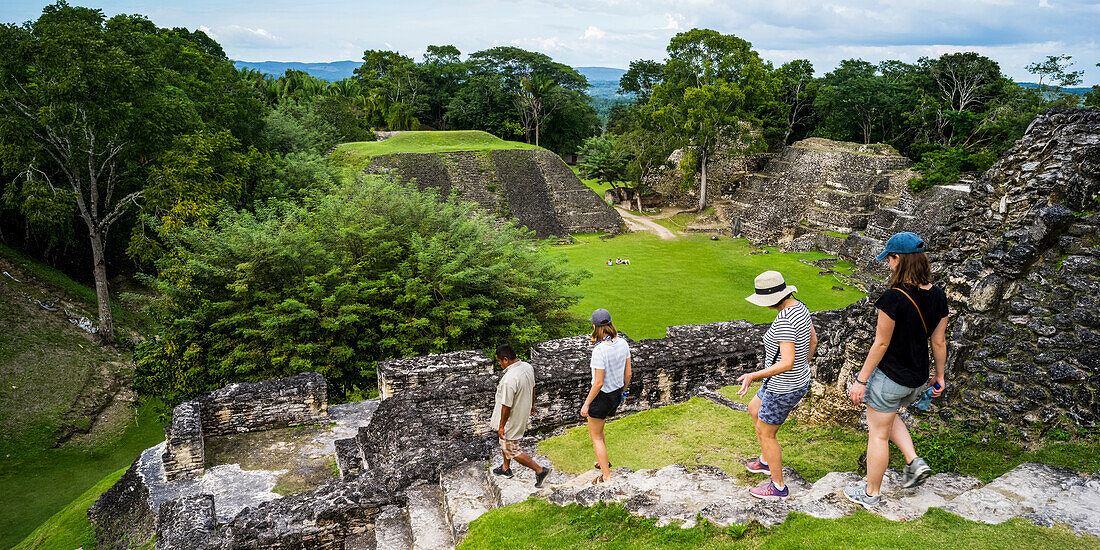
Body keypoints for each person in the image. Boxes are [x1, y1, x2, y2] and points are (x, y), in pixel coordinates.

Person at [845, 232, 948, 508]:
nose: (888, 264)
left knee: (877, 433)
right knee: (888, 418)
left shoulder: (893, 297)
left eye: (890, 259)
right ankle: (913, 460)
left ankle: (871, 493)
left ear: (898, 259)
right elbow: (939, 341)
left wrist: (860, 380)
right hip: (916, 380)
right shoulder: (939, 296)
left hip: (890, 378)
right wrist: (940, 377)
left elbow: (881, 343)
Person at [736, 271, 817, 499]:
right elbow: (813, 340)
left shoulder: (784, 320)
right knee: (754, 408)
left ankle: (778, 486)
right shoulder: (800, 307)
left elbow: (787, 362)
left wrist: (753, 375)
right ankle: (765, 460)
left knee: (766, 432)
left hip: (782, 386)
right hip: (787, 381)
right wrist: (805, 362)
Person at [580, 308, 631, 484]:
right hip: (616, 394)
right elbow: (628, 374)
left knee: (596, 437)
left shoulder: (599, 350)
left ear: (594, 325)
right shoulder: (623, 343)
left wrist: (586, 404)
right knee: (600, 432)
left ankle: (606, 476)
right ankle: (603, 462)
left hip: (601, 397)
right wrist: (623, 392)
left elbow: (598, 383)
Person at [490, 343, 552, 488]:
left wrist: (501, 426)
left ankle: (540, 470)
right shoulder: (527, 367)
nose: (499, 364)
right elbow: (532, 387)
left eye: (499, 361)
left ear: (505, 359)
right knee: (506, 442)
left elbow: (506, 406)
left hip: (511, 416)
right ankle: (505, 468)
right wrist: (532, 404)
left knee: (511, 448)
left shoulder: (509, 379)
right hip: (522, 409)